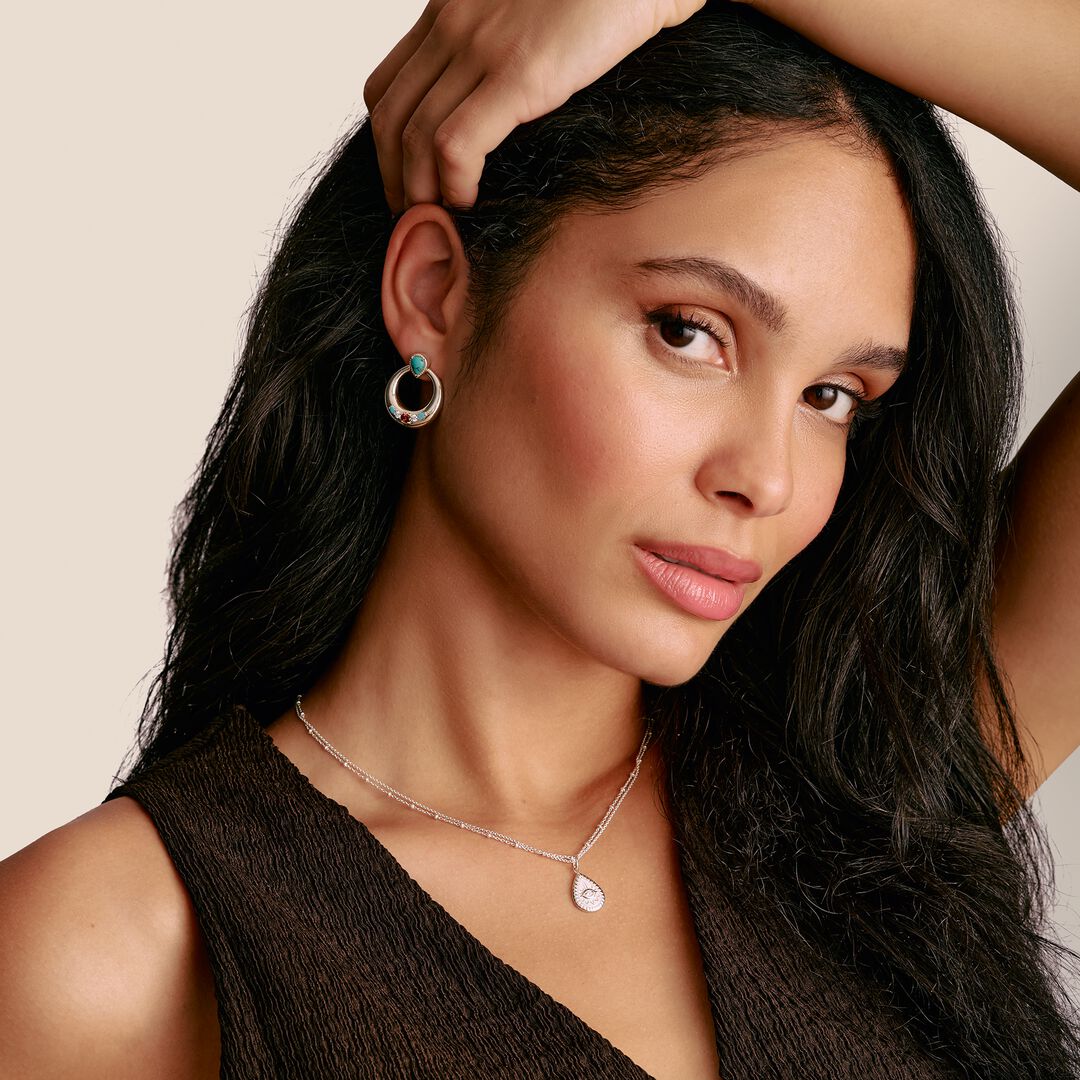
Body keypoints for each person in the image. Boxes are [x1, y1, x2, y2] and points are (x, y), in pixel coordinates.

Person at [1, 0, 1078, 1077]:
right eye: (690, 332)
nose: (766, 477)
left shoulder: (871, 794)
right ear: (435, 292)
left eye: (835, 396)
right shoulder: (120, 949)